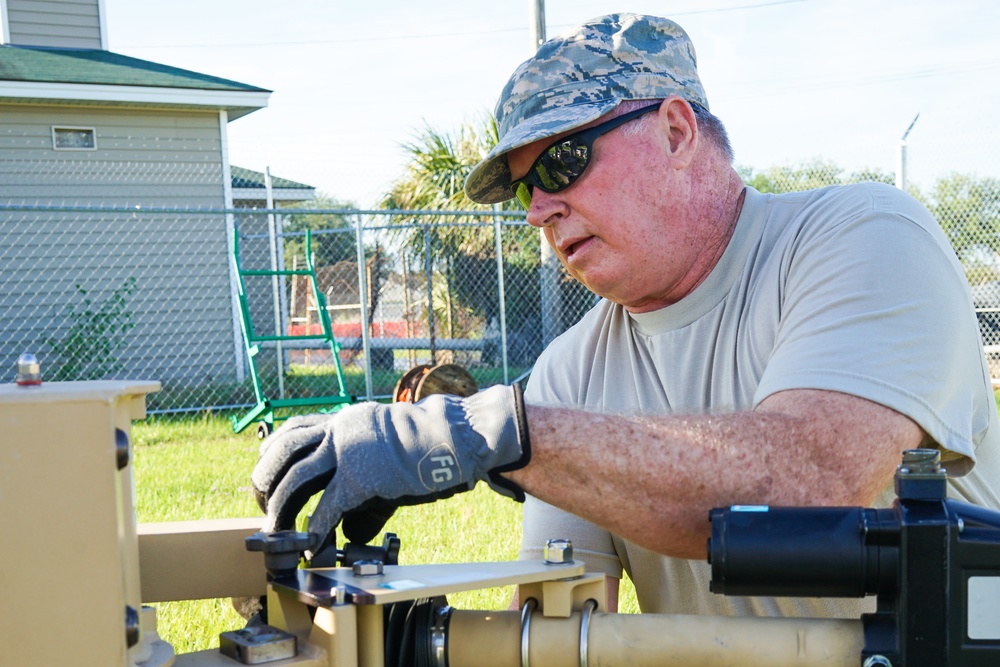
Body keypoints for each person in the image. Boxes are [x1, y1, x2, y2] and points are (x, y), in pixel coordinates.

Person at [253, 13, 1000, 620]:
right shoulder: (568, 374)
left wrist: (486, 431)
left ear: (677, 131)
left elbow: (806, 480)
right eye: (524, 190)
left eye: (561, 162)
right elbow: (560, 628)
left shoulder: (864, 234)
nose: (540, 208)